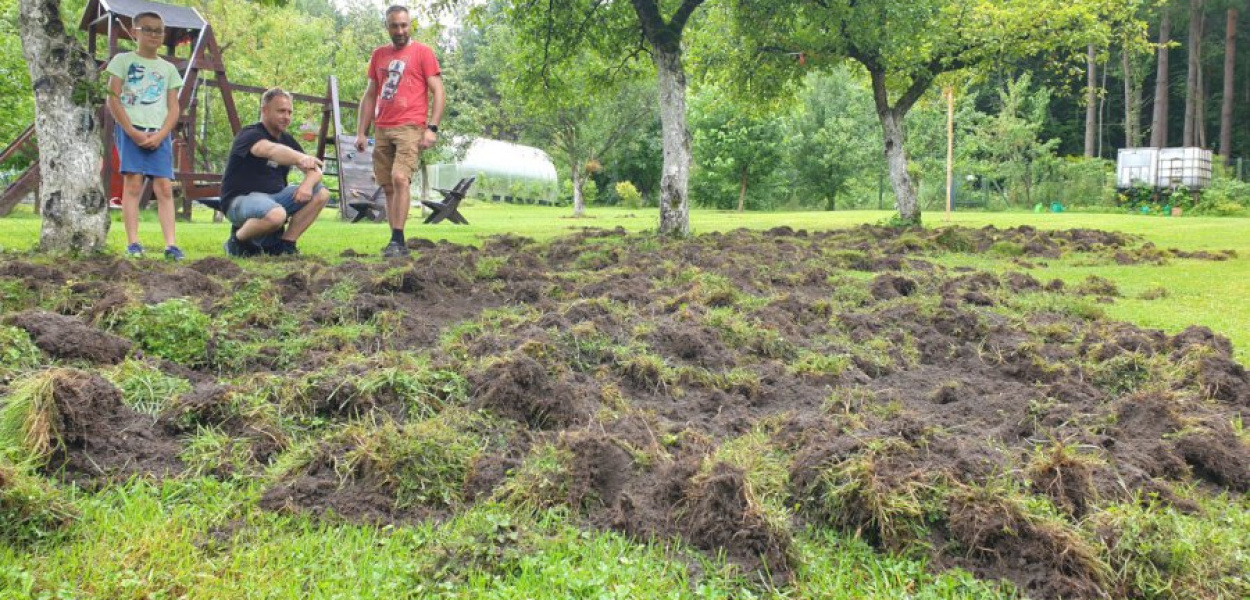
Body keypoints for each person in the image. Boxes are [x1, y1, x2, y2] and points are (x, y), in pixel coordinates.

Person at [356, 4, 445, 258]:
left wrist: (432, 128)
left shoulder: (422, 53)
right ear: (387, 27)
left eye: (404, 25)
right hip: (382, 126)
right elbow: (370, 94)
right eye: (394, 25)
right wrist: (361, 131)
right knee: (387, 186)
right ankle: (395, 241)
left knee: (399, 178)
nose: (400, 30)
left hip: (411, 125)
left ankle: (398, 238)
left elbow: (438, 90)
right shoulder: (378, 55)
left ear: (410, 25)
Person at [104, 11, 184, 260]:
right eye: (147, 29)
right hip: (131, 130)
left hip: (158, 133)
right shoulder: (122, 60)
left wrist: (162, 134)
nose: (153, 34)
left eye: (158, 30)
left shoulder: (169, 68)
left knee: (164, 187)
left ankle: (171, 245)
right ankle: (133, 243)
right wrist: (131, 131)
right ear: (134, 31)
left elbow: (174, 107)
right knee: (133, 184)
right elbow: (112, 98)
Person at [219, 88, 330, 257]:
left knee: (320, 192)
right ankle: (236, 241)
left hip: (275, 198)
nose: (286, 116)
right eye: (281, 111)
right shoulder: (250, 134)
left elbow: (316, 171)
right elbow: (269, 150)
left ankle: (285, 245)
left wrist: (307, 184)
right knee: (277, 215)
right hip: (240, 201)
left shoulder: (287, 140)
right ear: (265, 110)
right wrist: (301, 158)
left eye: (289, 112)